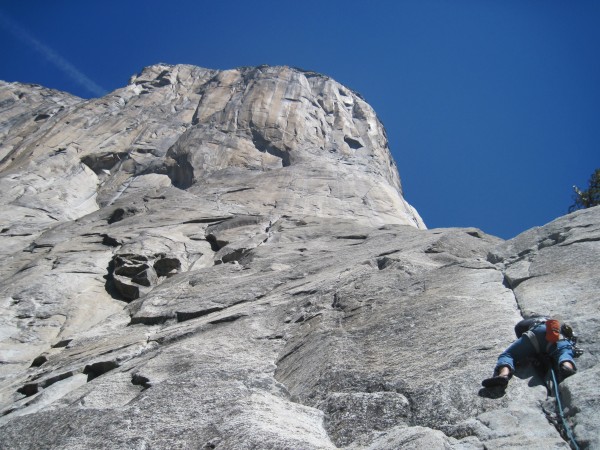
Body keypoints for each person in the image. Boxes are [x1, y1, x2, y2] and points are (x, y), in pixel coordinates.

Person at [482, 319, 578, 388]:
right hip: (557, 338)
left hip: (536, 333)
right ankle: (566, 366)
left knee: (508, 355)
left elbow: (519, 328)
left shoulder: (528, 321)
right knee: (564, 352)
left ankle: (503, 375)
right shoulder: (555, 324)